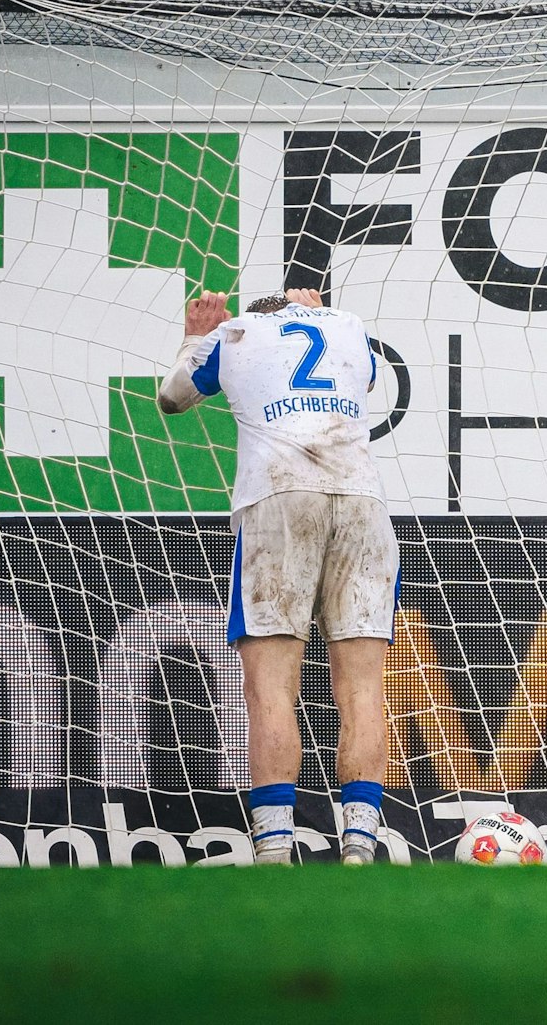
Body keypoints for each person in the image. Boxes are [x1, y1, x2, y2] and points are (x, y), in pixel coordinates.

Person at [158, 287, 397, 866]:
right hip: (361, 503)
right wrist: (313, 313)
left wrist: (195, 338)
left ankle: (273, 848)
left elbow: (171, 397)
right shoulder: (347, 325)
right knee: (363, 688)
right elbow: (365, 379)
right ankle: (360, 846)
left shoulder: (234, 334)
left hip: (278, 500)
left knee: (270, 688)